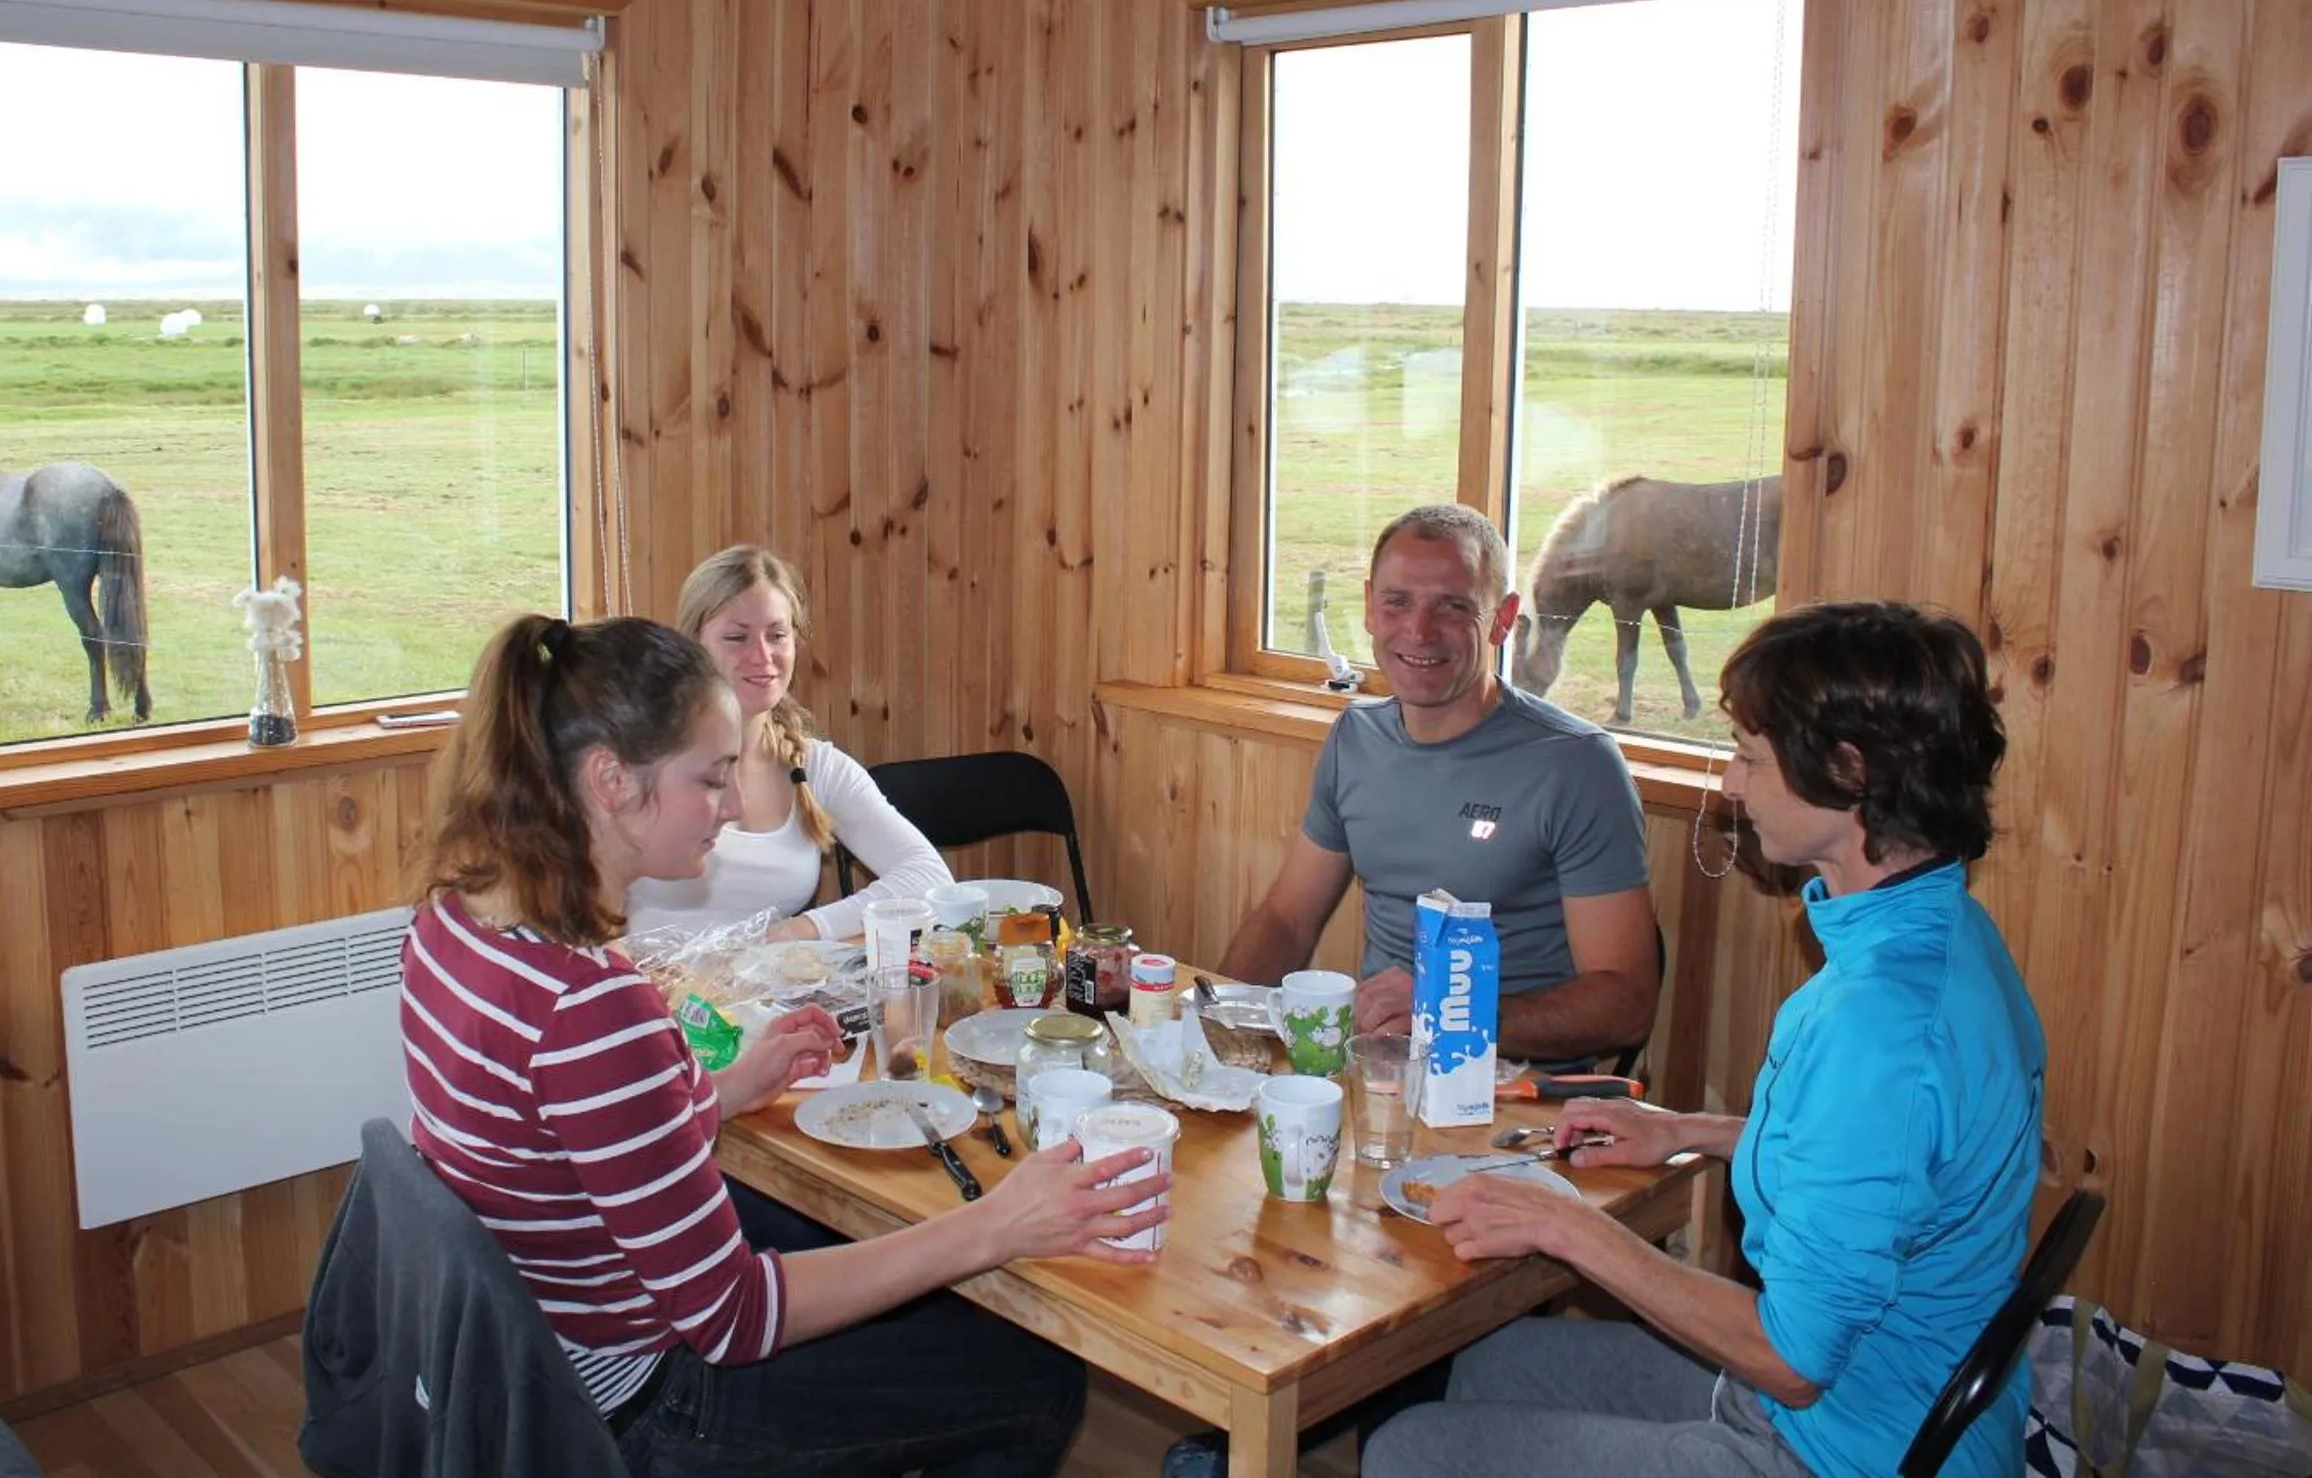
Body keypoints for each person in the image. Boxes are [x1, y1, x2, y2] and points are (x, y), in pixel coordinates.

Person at [401, 613, 1164, 1476]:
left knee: (836, 1239)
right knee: (1035, 1374)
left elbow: (569, 1139)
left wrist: (721, 1091)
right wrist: (998, 1224)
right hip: (630, 1405)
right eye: (711, 778)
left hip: (535, 1343)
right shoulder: (592, 1006)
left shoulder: (453, 917)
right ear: (610, 780)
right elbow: (732, 1319)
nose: (731, 807)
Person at [1362, 601, 2047, 1478]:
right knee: (1486, 1361)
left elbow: (1793, 1363)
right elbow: (1888, 1164)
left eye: (1752, 759)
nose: (1730, 785)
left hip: (1838, 1449)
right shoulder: (1940, 932)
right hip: (1871, 1401)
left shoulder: (1887, 1028)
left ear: (1846, 770)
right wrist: (1690, 1130)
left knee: (1410, 1452)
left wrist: (1571, 1227)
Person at [1218, 503, 1658, 1058]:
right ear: (1370, 610)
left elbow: (1627, 1005)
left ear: (1502, 618)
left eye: (1454, 607)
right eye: (1397, 602)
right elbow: (1286, 920)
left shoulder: (1577, 766)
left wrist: (1447, 1010)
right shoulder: (1356, 740)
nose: (1419, 632)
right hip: (1381, 1074)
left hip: (1519, 1094)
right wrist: (1217, 1026)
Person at [628, 544, 952, 943]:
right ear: (692, 645)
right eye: (736, 637)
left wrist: (804, 929)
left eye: (777, 636)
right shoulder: (637, 757)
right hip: (642, 996)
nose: (761, 656)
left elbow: (928, 876)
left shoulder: (817, 767)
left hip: (764, 1000)